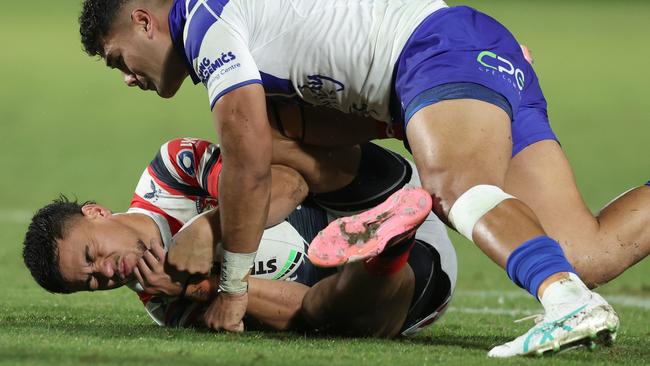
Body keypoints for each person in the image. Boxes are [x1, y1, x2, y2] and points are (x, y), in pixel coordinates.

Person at [76, 0, 650, 356]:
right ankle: (570, 282)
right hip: (459, 56)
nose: (125, 77)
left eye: (115, 58)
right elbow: (305, 156)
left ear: (144, 21)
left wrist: (231, 282)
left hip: (436, 53)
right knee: (584, 251)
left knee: (452, 187)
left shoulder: (208, 22)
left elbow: (249, 166)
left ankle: (566, 302)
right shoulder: (242, 25)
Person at [23, 137, 457, 338]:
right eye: (93, 281)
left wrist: (207, 230)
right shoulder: (167, 304)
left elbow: (287, 186)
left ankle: (419, 137)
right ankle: (389, 244)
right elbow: (302, 315)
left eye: (92, 255)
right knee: (341, 319)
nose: (106, 272)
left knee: (264, 138)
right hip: (413, 281)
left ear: (96, 212)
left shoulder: (173, 174)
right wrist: (206, 287)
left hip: (363, 191)